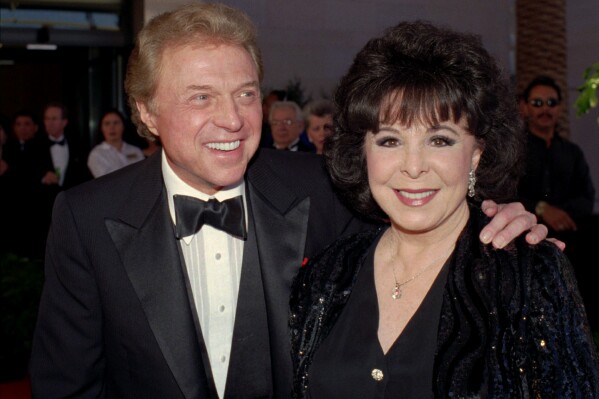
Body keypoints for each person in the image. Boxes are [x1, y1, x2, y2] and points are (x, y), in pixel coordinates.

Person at [29, 4, 549, 398]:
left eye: (246, 93)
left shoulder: (323, 190)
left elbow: (421, 204)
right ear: (146, 112)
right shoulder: (87, 218)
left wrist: (497, 216)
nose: (232, 119)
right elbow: (68, 388)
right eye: (201, 96)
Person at [290, 21, 598, 398]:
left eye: (439, 140)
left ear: (477, 155)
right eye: (389, 140)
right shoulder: (326, 275)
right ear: (363, 152)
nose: (414, 166)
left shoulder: (527, 275)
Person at [87, 109, 144, 178]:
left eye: (116, 123)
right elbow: (106, 180)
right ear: (101, 128)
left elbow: (143, 175)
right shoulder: (96, 154)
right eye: (107, 123)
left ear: (123, 126)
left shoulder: (135, 150)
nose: (112, 128)